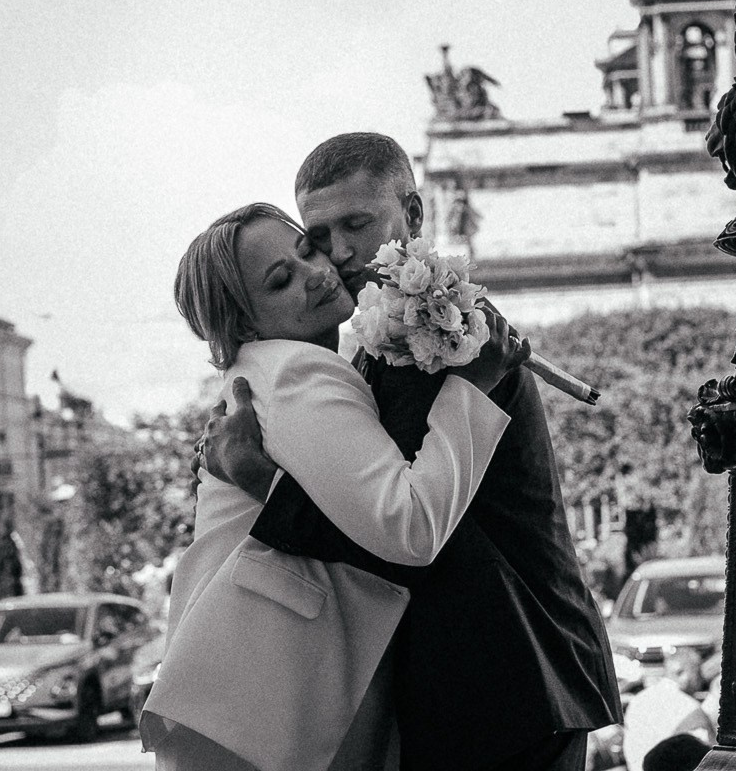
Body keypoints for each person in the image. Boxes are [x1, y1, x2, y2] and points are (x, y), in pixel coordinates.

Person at [204, 133, 620, 771]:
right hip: (490, 682)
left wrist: (261, 481)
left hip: (514, 675)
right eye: (320, 235)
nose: (339, 253)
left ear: (414, 215)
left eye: (357, 224)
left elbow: (403, 534)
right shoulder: (382, 340)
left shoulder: (453, 335)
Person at [143, 201, 523, 771]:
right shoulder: (296, 372)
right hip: (281, 693)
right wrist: (472, 389)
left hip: (253, 695)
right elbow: (411, 526)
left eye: (306, 250)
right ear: (243, 323)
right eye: (281, 280)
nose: (317, 272)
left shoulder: (269, 370)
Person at [621, 652, 714, 771]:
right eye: (697, 673)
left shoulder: (638, 699)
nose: (701, 680)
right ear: (680, 672)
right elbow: (710, 756)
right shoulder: (688, 706)